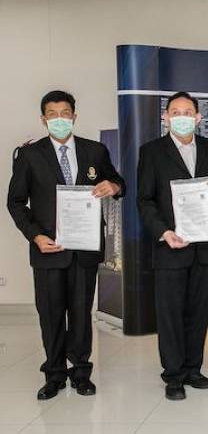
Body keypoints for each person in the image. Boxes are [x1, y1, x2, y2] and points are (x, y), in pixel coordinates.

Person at [7, 90, 125, 400]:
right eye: (52, 114)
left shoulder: (95, 151)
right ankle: (54, 374)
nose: (59, 119)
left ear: (74, 116)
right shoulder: (30, 156)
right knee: (50, 315)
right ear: (43, 119)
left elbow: (118, 183)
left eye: (65, 113)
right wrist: (35, 235)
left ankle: (81, 372)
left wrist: (112, 186)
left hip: (84, 248)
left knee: (81, 313)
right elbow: (16, 202)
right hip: (48, 250)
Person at [137, 91, 208, 400]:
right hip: (170, 245)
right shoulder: (152, 152)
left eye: (187, 111)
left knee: (198, 311)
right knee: (170, 313)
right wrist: (163, 232)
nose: (181, 116)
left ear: (198, 118)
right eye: (175, 112)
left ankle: (193, 368)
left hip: (203, 245)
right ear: (165, 118)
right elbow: (145, 199)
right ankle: (173, 374)